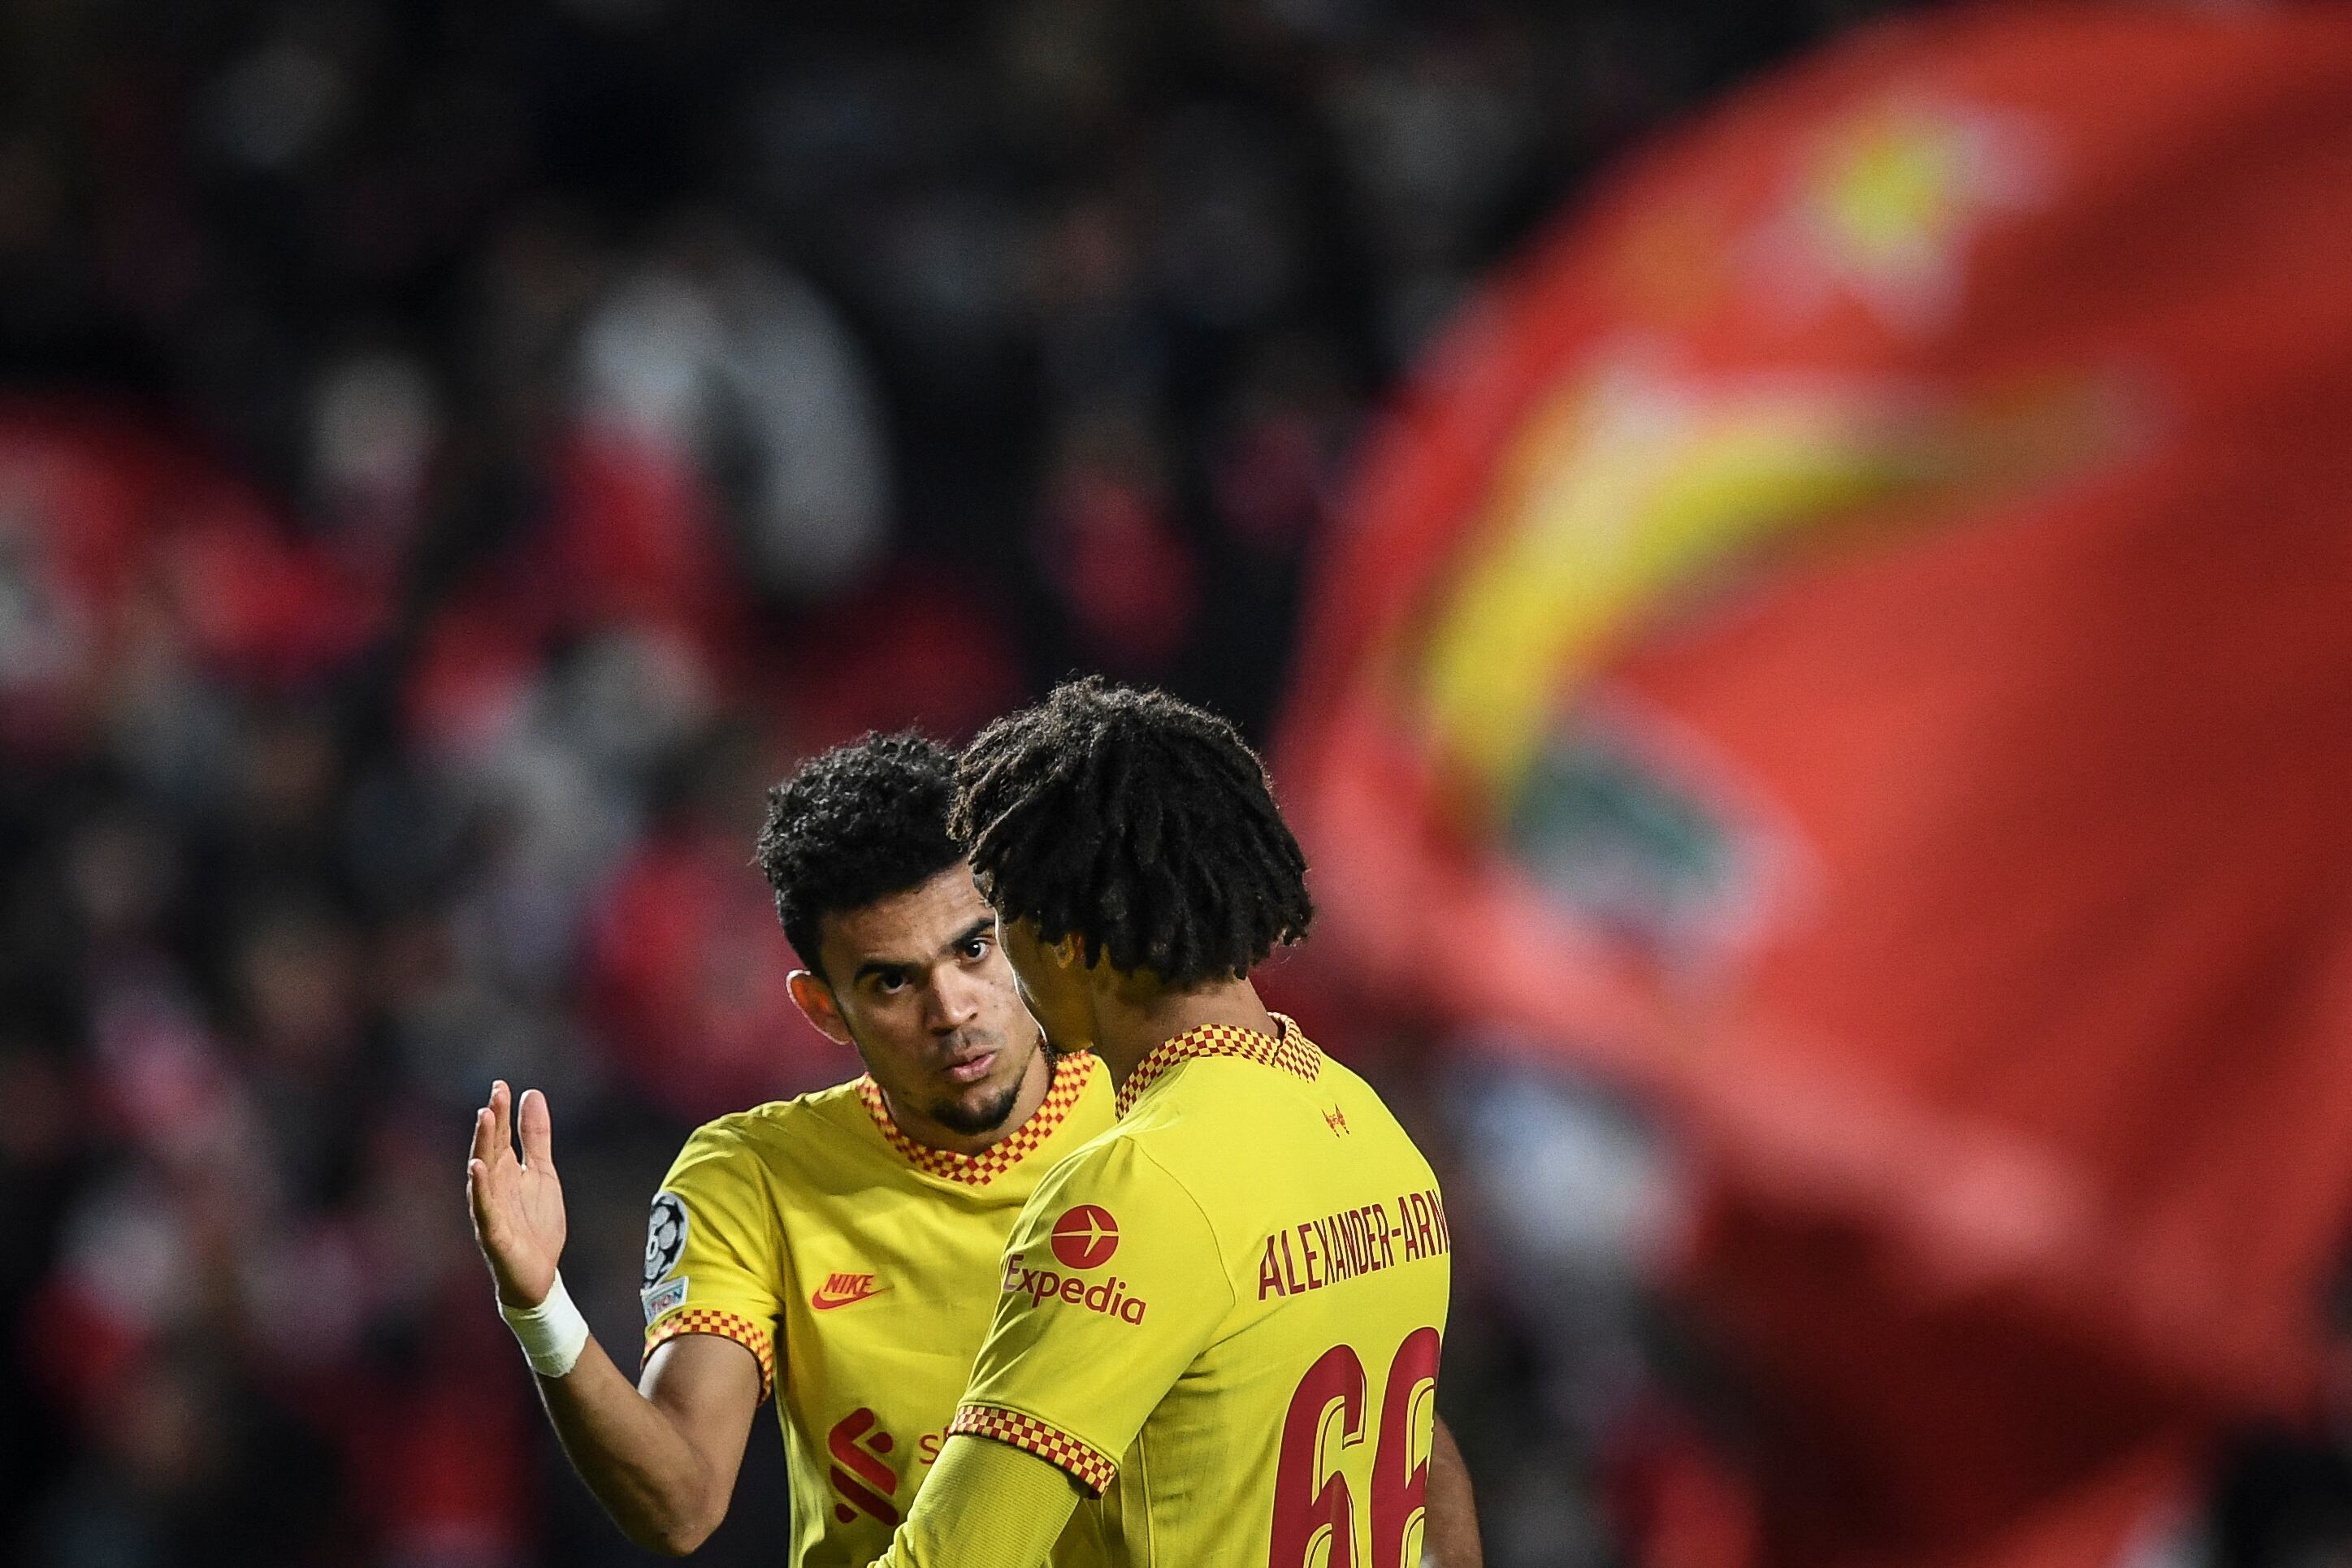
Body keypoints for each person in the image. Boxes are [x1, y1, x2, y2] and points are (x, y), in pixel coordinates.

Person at [464, 729, 1480, 1563]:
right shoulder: (754, 1177)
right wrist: (541, 1307)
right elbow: (682, 1502)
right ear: (824, 1008)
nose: (955, 1010)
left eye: (976, 946)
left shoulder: (1145, 1153)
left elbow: (1407, 1448)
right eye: (893, 981)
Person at [872, 678, 1477, 1568]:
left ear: (1069, 938)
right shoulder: (1368, 1125)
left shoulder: (1137, 1187)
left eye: (1002, 927)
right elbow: (1434, 1478)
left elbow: (957, 1556)